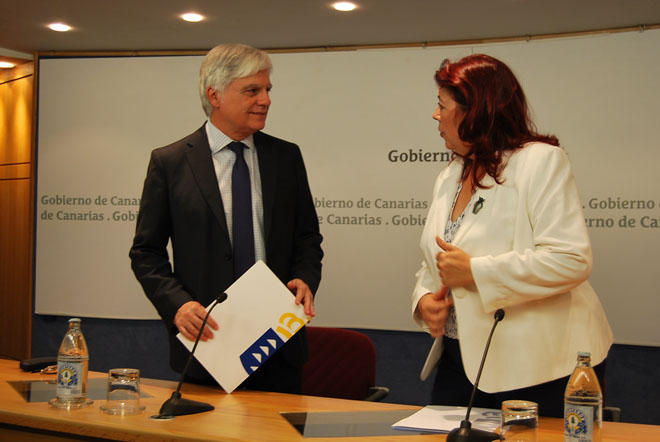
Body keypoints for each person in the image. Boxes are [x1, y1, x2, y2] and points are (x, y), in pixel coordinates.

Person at [411, 54, 613, 417]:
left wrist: (476, 272)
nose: (435, 115)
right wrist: (424, 297)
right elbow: (437, 259)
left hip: (540, 363)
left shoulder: (540, 161)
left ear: (475, 111)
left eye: (442, 105)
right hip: (462, 357)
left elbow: (570, 260)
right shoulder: (451, 174)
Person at [129, 43, 323, 394]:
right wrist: (178, 305)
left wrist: (305, 277)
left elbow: (307, 237)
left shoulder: (286, 157)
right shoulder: (170, 163)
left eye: (267, 90)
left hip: (278, 344)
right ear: (214, 95)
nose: (265, 100)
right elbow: (146, 252)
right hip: (207, 344)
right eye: (252, 90)